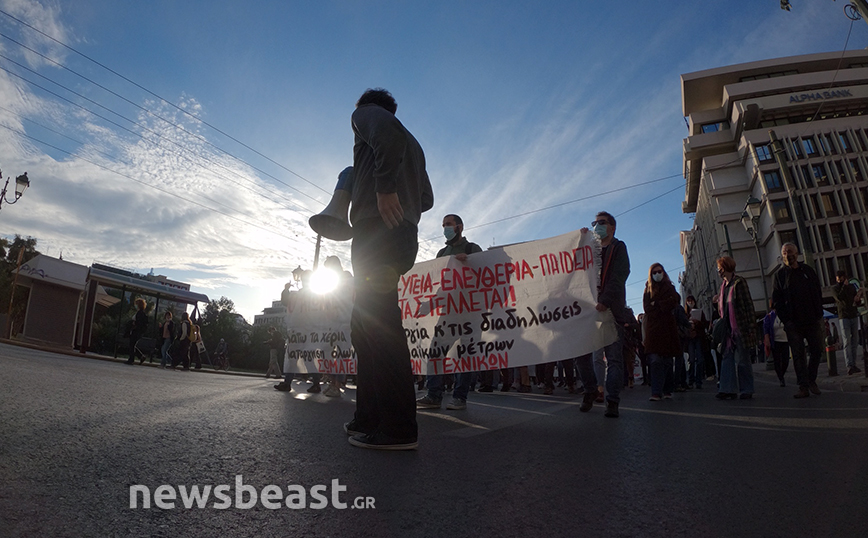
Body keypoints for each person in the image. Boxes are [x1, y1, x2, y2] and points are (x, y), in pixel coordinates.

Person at [343, 88, 434, 450]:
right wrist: (404, 206)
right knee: (364, 327)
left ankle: (398, 428)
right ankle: (369, 417)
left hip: (376, 229)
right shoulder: (414, 143)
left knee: (379, 327)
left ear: (365, 105)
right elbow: (426, 198)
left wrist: (384, 191)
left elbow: (387, 135)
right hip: (400, 233)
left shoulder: (366, 114)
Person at [416, 214, 483, 411]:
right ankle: (433, 394)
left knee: (465, 355)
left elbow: (485, 277)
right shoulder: (442, 253)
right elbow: (440, 284)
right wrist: (430, 304)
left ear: (460, 227)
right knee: (436, 352)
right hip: (448, 312)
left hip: (470, 312)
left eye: (449, 224)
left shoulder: (473, 249)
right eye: (443, 224)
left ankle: (460, 397)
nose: (445, 227)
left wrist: (469, 262)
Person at [577, 211, 630, 418]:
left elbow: (620, 275)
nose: (597, 225)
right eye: (594, 223)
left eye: (602, 222)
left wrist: (604, 300)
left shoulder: (618, 247)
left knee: (614, 358)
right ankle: (591, 389)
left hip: (611, 311)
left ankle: (613, 401)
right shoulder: (590, 248)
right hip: (588, 312)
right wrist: (580, 240)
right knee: (581, 355)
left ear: (612, 228)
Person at [773, 243, 824, 398]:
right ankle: (803, 386)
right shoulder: (780, 275)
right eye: (784, 252)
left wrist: (818, 312)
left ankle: (811, 378)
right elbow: (777, 300)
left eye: (790, 251)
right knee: (798, 355)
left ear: (797, 253)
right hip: (793, 323)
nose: (788, 255)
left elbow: (817, 291)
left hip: (812, 319)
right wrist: (786, 320)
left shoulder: (807, 271)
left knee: (817, 350)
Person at [715, 256, 757, 400]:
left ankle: (747, 389)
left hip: (740, 326)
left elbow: (748, 305)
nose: (718, 271)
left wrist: (751, 327)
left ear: (726, 267)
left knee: (743, 359)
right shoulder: (722, 287)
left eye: (720, 268)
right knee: (727, 358)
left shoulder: (739, 283)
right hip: (727, 329)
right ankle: (727, 389)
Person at [642, 263, 681, 401]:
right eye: (655, 272)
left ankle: (667, 390)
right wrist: (663, 305)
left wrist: (657, 304)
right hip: (654, 330)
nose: (658, 274)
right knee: (655, 361)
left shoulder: (670, 288)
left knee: (667, 362)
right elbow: (647, 308)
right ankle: (656, 391)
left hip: (667, 329)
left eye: (660, 271)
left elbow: (675, 301)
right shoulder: (648, 289)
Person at [832, 270, 862, 375]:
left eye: (841, 277)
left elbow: (855, 300)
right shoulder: (835, 288)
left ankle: (854, 364)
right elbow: (839, 298)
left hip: (853, 315)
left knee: (855, 340)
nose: (839, 279)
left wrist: (858, 298)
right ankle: (849, 365)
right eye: (838, 277)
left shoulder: (851, 287)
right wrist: (844, 287)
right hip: (843, 316)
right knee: (847, 341)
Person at [763, 301, 789, 386]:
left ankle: (782, 373)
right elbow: (766, 329)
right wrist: (767, 340)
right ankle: (781, 378)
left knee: (785, 360)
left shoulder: (784, 315)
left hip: (785, 340)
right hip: (776, 342)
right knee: (777, 361)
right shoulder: (769, 317)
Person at [685, 295, 708, 389]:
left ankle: (698, 381)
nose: (690, 302)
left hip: (698, 337)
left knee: (699, 359)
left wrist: (697, 323)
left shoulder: (700, 312)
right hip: (690, 338)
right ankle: (691, 380)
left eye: (692, 301)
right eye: (688, 301)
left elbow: (704, 324)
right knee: (691, 360)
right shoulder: (685, 313)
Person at [126, 298, 148, 365]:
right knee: (133, 345)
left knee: (132, 345)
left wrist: (134, 323)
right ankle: (141, 356)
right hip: (138, 332)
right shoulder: (142, 313)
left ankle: (131, 359)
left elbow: (139, 323)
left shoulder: (139, 313)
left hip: (136, 331)